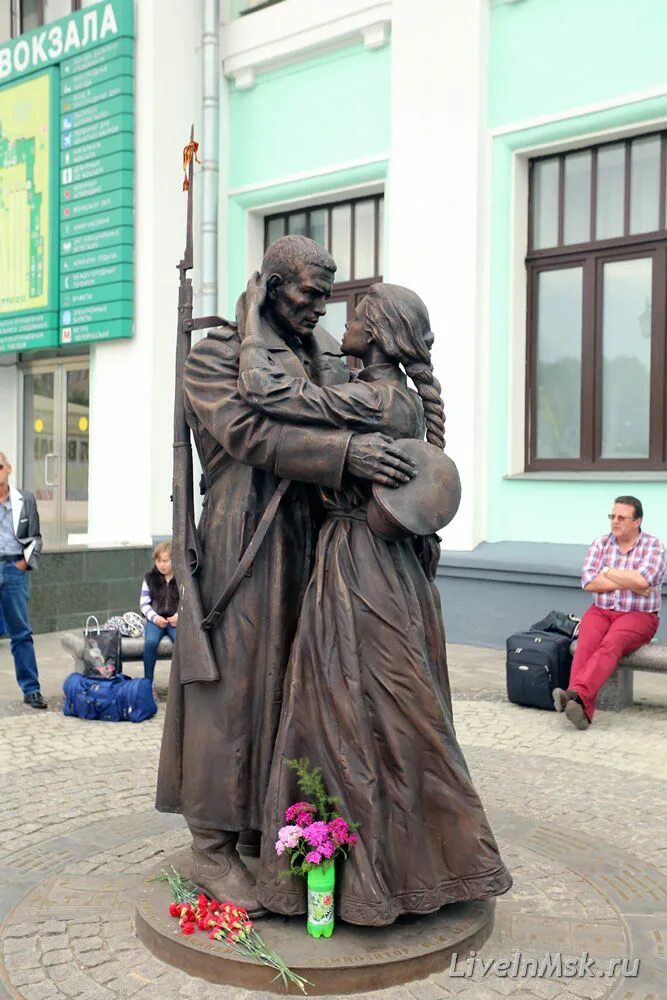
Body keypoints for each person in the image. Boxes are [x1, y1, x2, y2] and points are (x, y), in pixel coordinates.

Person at [156, 236, 417, 915]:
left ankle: (265, 823)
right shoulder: (214, 354)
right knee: (235, 683)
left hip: (317, 533)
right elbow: (250, 434)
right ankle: (212, 842)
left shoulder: (325, 353)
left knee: (300, 682)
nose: (319, 309)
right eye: (308, 295)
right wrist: (348, 455)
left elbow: (355, 404)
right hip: (244, 534)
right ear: (272, 285)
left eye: (327, 297)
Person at [238, 280, 512, 925]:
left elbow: (265, 391)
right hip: (392, 569)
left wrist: (254, 316)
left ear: (382, 332)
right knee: (386, 706)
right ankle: (416, 861)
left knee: (348, 702)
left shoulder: (369, 400)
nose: (346, 320)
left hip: (357, 564)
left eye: (359, 315)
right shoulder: (407, 403)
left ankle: (376, 878)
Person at [553, 496, 665, 730]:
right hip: (601, 610)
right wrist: (630, 581)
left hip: (638, 615)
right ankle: (581, 708)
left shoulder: (653, 546)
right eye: (612, 516)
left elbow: (644, 579)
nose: (615, 522)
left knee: (613, 642)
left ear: (637, 522)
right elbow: (589, 583)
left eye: (621, 517)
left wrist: (606, 572)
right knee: (585, 643)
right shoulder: (600, 544)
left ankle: (575, 696)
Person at [0, 452, 46, 709]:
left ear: (8, 468)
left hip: (14, 569)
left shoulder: (24, 500)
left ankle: (31, 689)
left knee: (21, 633)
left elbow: (35, 537)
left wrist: (24, 563)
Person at [140, 541, 178, 682]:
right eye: (158, 561)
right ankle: (148, 682)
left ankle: (181, 684)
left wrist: (179, 616)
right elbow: (144, 604)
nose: (162, 564)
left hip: (175, 621)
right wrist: (154, 618)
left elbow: (187, 601)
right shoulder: (150, 578)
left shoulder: (181, 579)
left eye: (165, 561)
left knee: (181, 644)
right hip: (156, 621)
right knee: (150, 643)